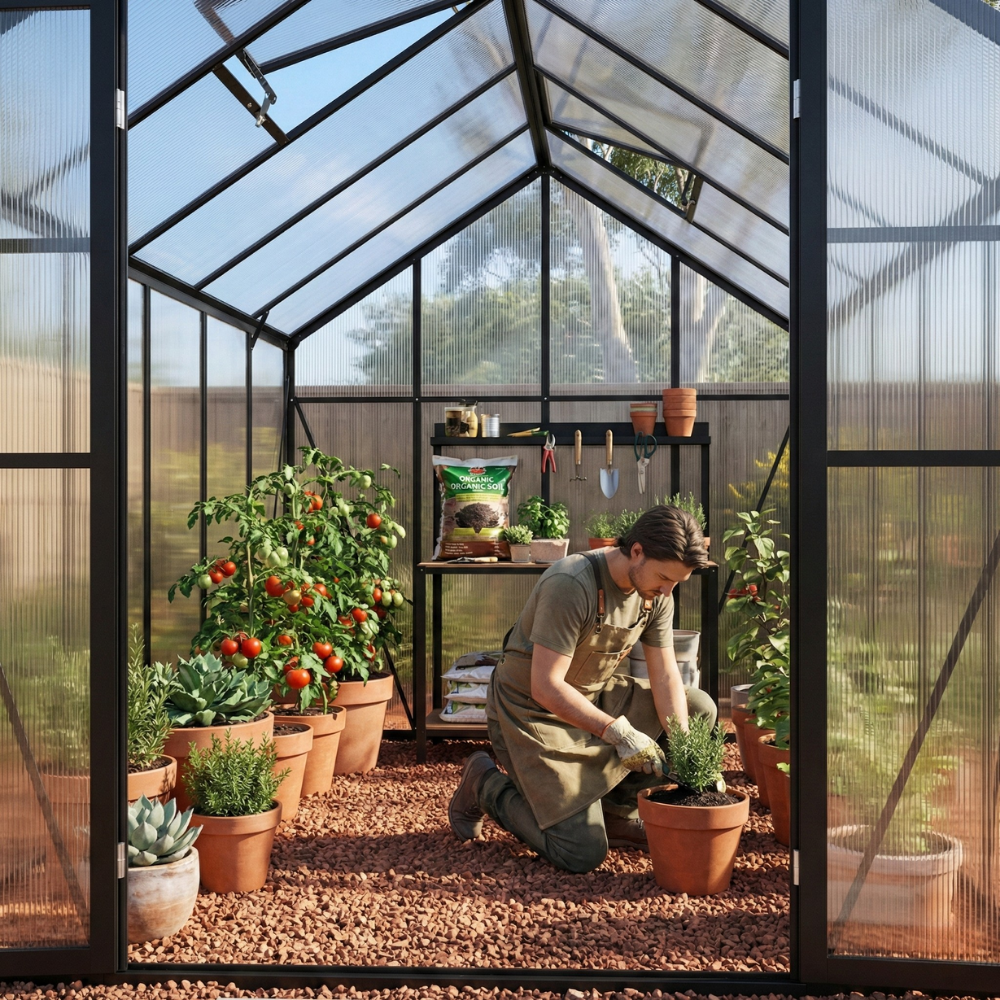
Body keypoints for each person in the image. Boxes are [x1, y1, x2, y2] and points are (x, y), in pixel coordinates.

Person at [447, 505, 717, 874]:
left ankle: (618, 812)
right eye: (664, 577)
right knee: (580, 852)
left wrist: (686, 748)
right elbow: (545, 686)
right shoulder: (572, 583)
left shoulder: (656, 594)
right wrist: (617, 731)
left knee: (697, 706)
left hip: (591, 696)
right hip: (532, 711)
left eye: (677, 583)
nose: (668, 590)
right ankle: (483, 784)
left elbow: (667, 675)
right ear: (636, 551)